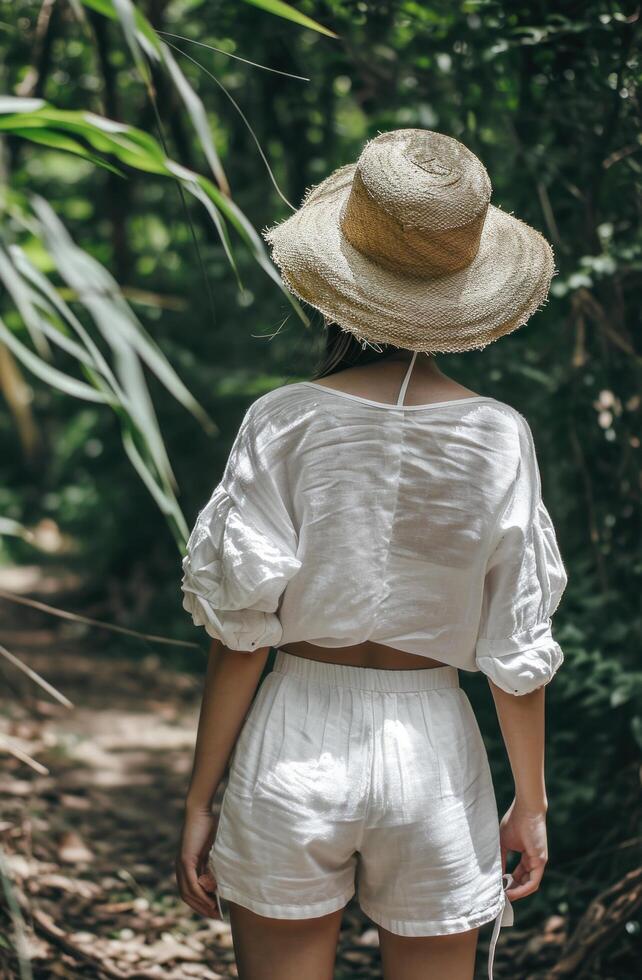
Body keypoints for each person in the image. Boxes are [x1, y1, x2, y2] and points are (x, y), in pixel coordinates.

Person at [175, 129, 568, 980]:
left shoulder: (283, 420)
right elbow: (516, 651)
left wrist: (201, 799)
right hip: (434, 751)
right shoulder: (499, 437)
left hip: (292, 741)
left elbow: (241, 632)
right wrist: (529, 806)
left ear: (334, 288)